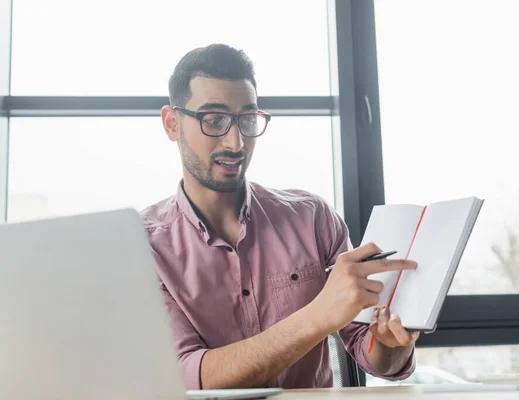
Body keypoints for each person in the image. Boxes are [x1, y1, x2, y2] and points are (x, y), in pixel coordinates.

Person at [142, 43, 420, 391]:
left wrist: (391, 344)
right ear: (172, 124)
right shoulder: (142, 247)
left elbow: (372, 352)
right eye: (214, 121)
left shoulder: (313, 218)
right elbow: (190, 379)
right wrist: (318, 316)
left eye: (246, 119)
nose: (236, 142)